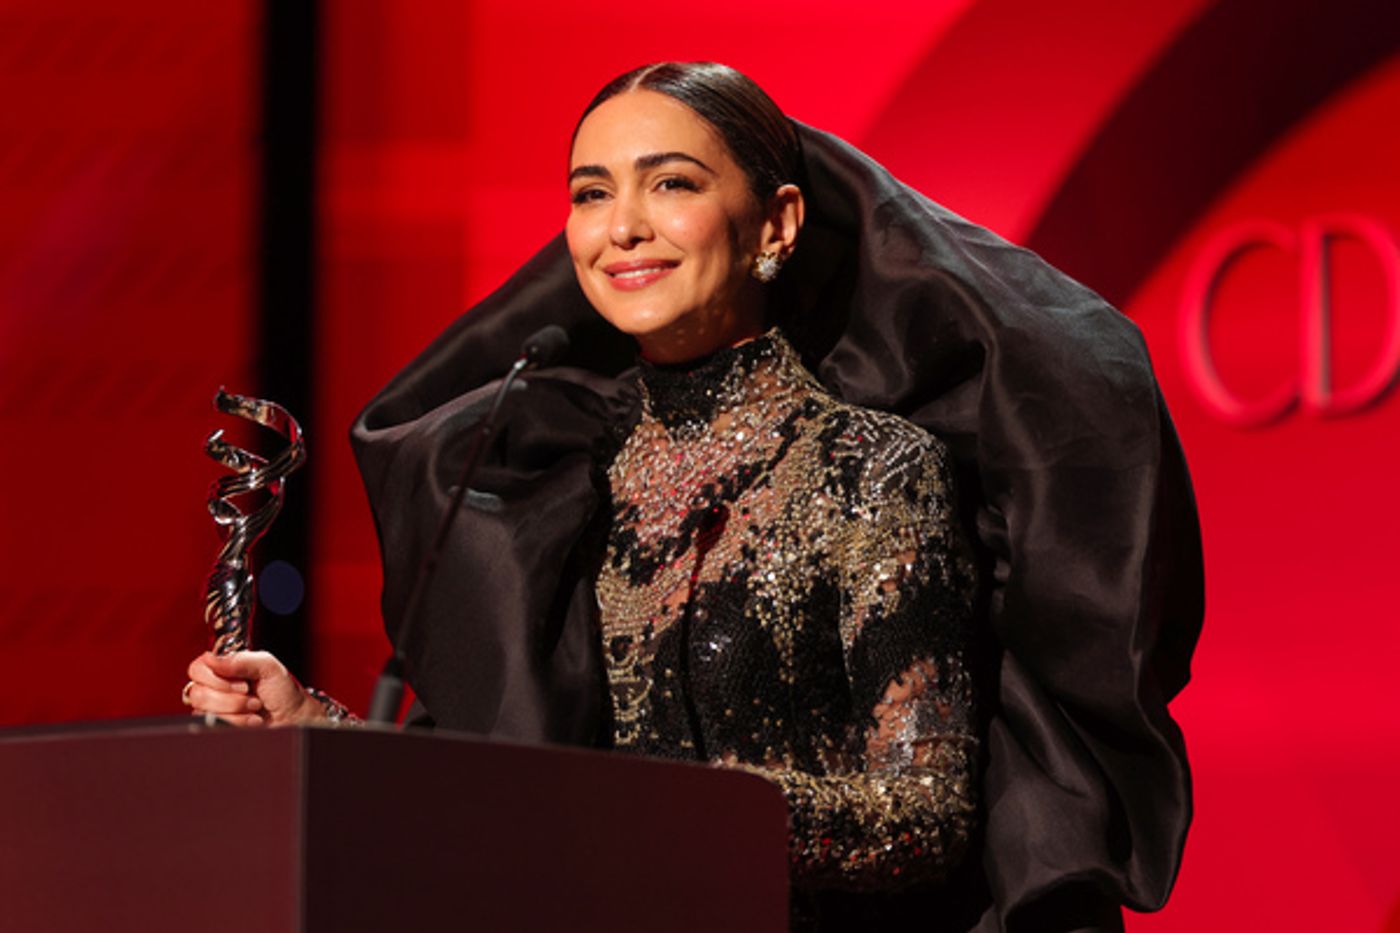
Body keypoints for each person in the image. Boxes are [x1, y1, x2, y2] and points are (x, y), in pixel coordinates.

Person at [185, 62, 1203, 932]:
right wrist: (312, 730)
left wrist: (643, 812)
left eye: (668, 183)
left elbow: (919, 818)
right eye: (589, 193)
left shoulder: (870, 468)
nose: (620, 227)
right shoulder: (552, 483)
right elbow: (515, 787)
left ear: (775, 222)